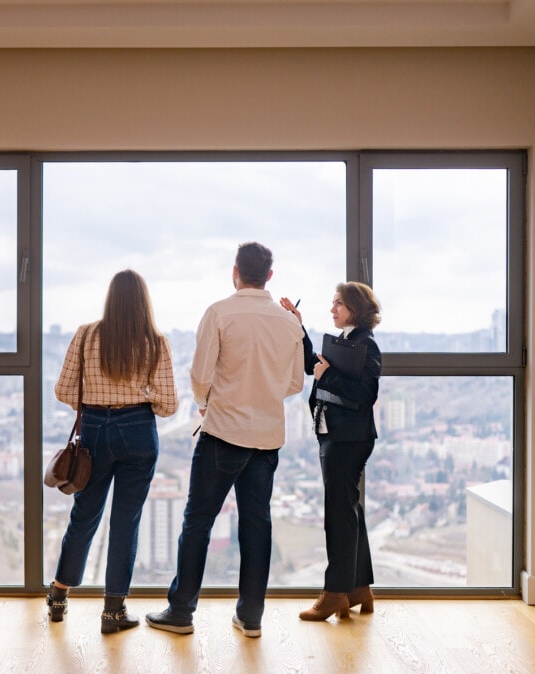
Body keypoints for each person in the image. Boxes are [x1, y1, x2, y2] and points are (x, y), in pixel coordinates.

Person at [146, 242, 304, 638]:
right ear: (270, 275)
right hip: (267, 439)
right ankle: (251, 617)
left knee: (198, 521)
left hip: (222, 434)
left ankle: (181, 612)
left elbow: (200, 375)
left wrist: (206, 403)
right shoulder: (290, 323)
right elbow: (296, 383)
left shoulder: (219, 313)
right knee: (257, 525)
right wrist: (263, 394)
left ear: (235, 272)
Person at [47, 269, 178, 634]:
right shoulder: (155, 342)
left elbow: (62, 390)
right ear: (142, 301)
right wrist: (139, 396)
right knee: (126, 522)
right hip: (138, 432)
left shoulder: (86, 335)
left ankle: (58, 597)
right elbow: (168, 405)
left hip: (93, 431)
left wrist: (97, 399)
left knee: (84, 515)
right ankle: (113, 612)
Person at [280, 282, 382, 622]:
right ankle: (358, 588)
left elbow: (364, 394)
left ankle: (335, 593)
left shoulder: (365, 344)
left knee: (338, 514)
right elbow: (314, 365)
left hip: (347, 438)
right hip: (336, 435)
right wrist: (299, 325)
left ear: (355, 306)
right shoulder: (348, 341)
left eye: (338, 303)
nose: (333, 308)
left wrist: (329, 376)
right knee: (348, 509)